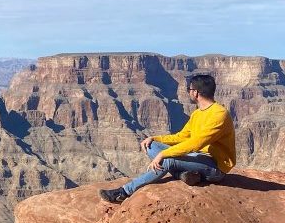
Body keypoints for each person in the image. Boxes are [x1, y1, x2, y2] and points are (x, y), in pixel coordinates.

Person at [99, 73, 236, 203]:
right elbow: (182, 136)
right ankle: (183, 174)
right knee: (151, 146)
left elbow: (196, 143)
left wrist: (163, 154)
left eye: (189, 89)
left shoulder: (219, 114)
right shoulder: (197, 113)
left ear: (196, 93)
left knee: (167, 161)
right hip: (197, 157)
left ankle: (124, 192)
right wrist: (155, 138)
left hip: (215, 166)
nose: (188, 92)